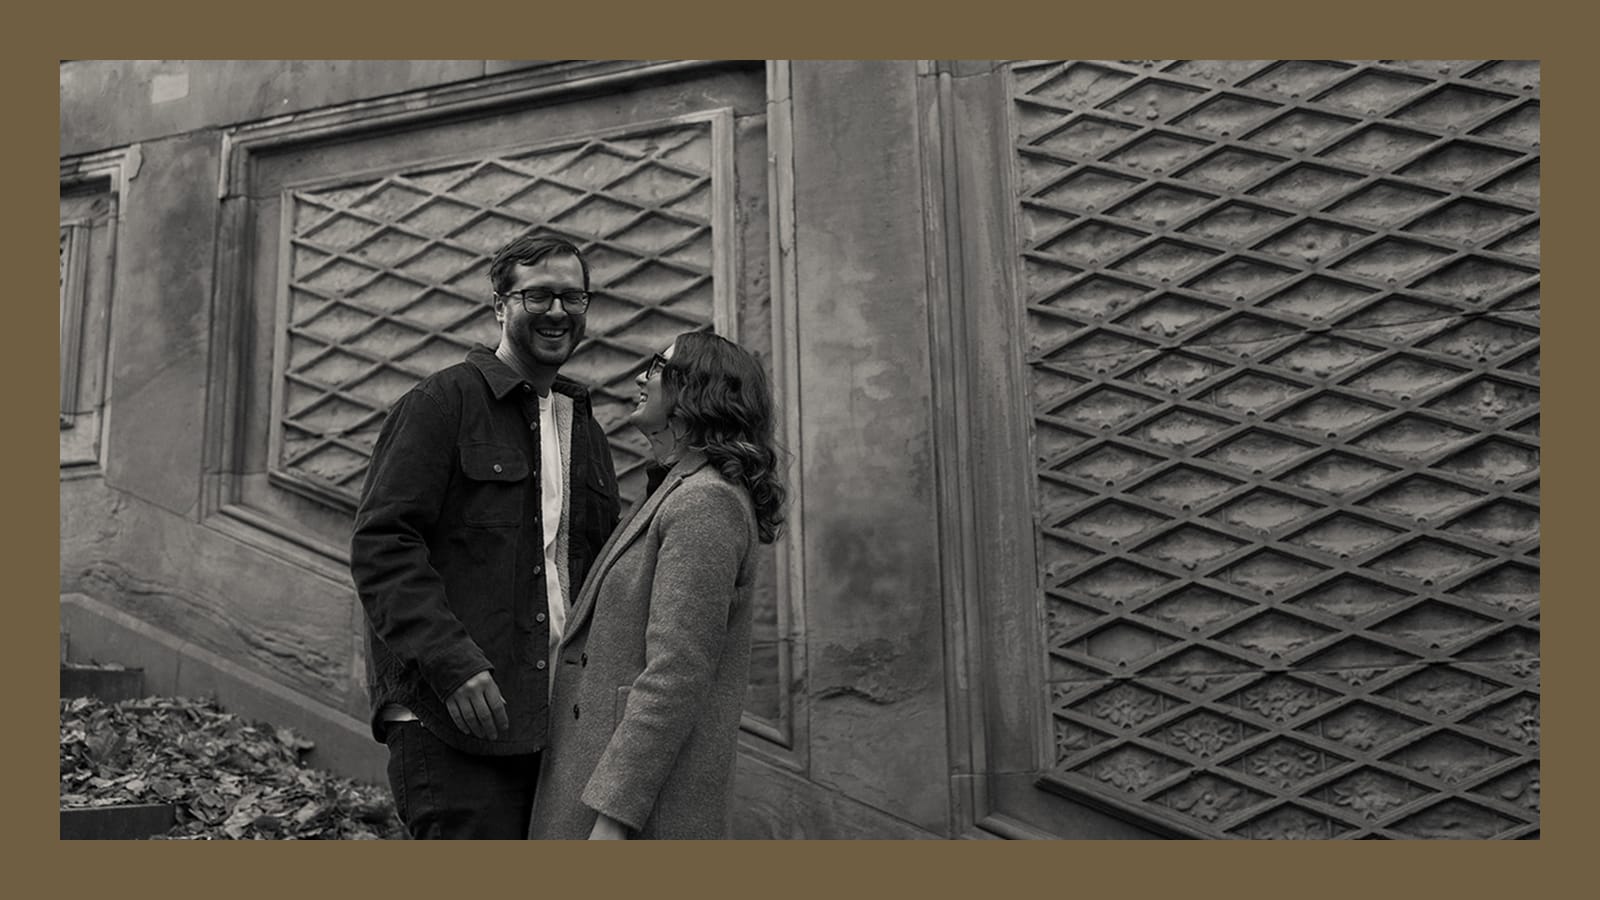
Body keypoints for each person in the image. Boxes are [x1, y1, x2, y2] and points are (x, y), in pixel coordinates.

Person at [349, 233, 621, 839]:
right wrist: (453, 665)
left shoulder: (583, 428)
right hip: (453, 726)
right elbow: (383, 546)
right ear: (500, 306)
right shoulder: (441, 403)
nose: (558, 311)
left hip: (554, 728)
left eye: (573, 297)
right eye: (539, 296)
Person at [528, 331, 786, 840]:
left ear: (696, 389)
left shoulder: (705, 502)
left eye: (657, 367)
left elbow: (676, 673)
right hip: (600, 781)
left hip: (632, 811)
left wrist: (613, 817)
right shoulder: (678, 488)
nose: (641, 378)